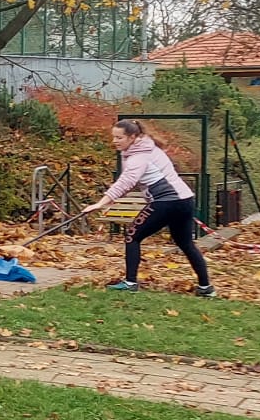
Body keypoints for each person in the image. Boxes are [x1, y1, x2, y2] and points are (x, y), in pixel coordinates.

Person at [82, 119, 215, 297]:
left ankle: (130, 282)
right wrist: (111, 200)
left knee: (132, 235)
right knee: (185, 243)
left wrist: (100, 203)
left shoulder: (139, 156)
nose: (114, 141)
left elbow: (126, 181)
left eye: (119, 137)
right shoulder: (148, 148)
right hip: (185, 200)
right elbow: (131, 180)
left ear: (133, 137)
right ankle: (206, 288)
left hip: (167, 201)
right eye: (113, 137)